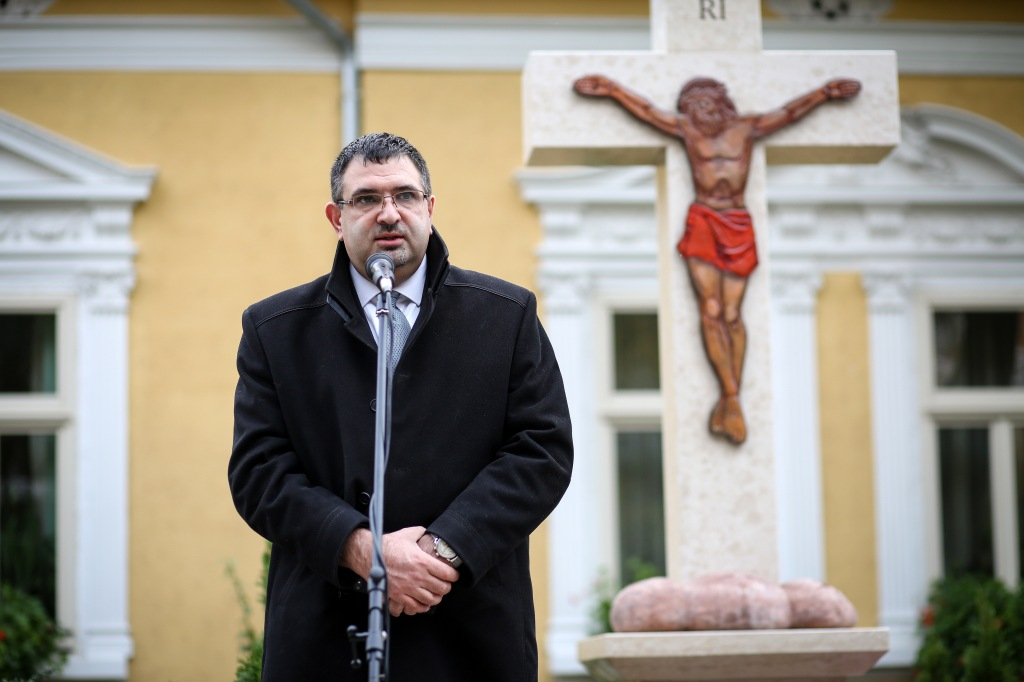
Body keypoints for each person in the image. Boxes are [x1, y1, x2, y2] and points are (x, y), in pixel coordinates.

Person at [228, 132, 573, 681]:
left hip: (470, 635)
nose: (389, 213)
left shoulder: (506, 316)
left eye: (405, 196)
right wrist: (360, 548)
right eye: (366, 199)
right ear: (337, 218)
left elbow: (542, 452)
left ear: (429, 209)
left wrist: (440, 551)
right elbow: (258, 473)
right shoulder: (275, 330)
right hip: (323, 638)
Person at [573, 75, 860, 444]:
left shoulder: (747, 128)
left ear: (720, 102)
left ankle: (730, 397)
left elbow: (789, 113)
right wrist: (612, 90)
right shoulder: (688, 131)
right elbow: (647, 111)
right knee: (710, 309)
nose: (698, 114)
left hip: (737, 222)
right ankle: (730, 396)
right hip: (704, 220)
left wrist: (824, 93)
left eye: (703, 105)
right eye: (691, 109)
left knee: (732, 315)